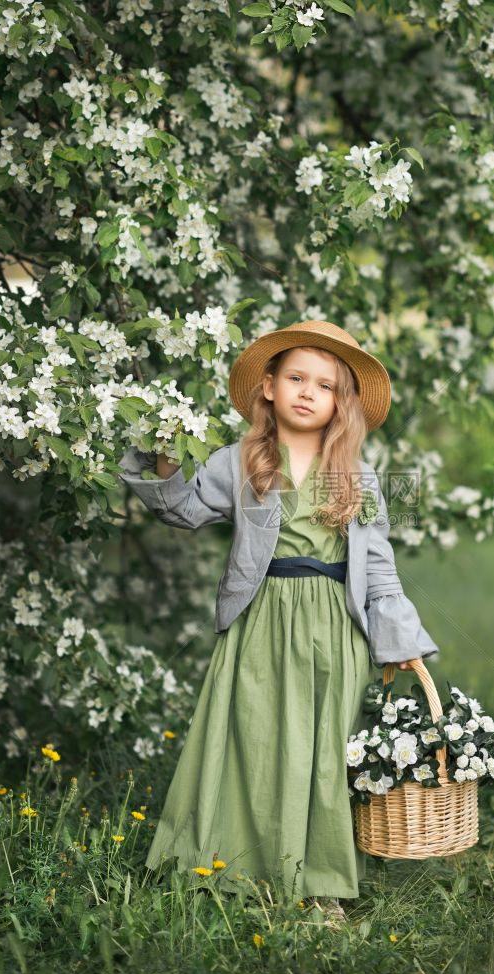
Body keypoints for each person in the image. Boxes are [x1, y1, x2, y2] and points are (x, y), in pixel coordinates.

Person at [118, 319, 439, 923]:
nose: (308, 391)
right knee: (253, 740)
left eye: (325, 385)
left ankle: (321, 886)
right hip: (262, 619)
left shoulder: (358, 476)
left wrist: (401, 641)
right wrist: (165, 456)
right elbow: (183, 511)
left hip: (333, 629)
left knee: (323, 752)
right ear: (268, 386)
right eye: (296, 377)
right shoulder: (241, 460)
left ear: (341, 403)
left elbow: (381, 569)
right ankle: (232, 867)